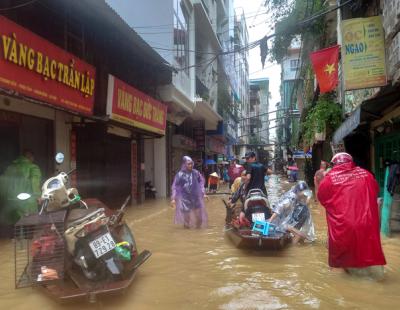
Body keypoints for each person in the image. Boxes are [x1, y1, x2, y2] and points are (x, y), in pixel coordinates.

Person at [318, 152, 386, 279]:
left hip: (344, 226)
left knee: (343, 262)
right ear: (351, 162)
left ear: (334, 164)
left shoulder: (328, 179)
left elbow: (322, 199)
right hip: (367, 223)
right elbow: (375, 191)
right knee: (370, 252)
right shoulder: (366, 174)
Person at [0, 150, 42, 237]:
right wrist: (38, 196)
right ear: (30, 158)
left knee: (15, 228)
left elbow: (3, 184)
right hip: (27, 202)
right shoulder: (33, 168)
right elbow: (34, 182)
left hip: (11, 202)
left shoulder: (9, 168)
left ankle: (15, 244)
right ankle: (27, 244)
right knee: (29, 226)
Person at [171, 156, 208, 229]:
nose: (191, 165)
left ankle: (197, 235)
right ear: (184, 164)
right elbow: (175, 186)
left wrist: (203, 193)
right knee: (186, 221)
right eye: (189, 164)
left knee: (199, 219)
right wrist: (173, 198)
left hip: (195, 198)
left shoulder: (196, 173)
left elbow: (201, 183)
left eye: (191, 163)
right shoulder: (180, 174)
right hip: (185, 199)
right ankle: (187, 235)